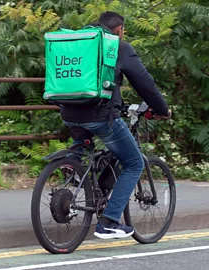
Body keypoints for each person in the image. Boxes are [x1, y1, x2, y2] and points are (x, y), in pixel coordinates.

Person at [60, 11, 172, 240]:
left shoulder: (81, 43)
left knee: (88, 145)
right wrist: (162, 110)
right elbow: (146, 86)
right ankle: (109, 222)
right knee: (133, 163)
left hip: (69, 113)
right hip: (100, 116)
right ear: (119, 29)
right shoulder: (118, 46)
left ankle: (74, 164)